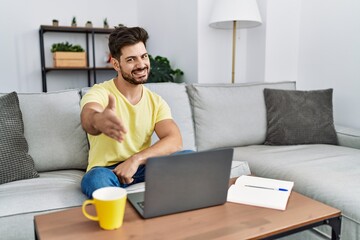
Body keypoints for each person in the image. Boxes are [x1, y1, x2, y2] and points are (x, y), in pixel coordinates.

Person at [80, 26, 183, 198]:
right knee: (94, 179)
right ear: (115, 64)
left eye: (144, 56)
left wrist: (135, 160)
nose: (141, 65)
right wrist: (98, 121)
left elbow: (175, 140)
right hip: (107, 171)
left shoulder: (156, 101)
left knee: (187, 158)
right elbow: (88, 117)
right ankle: (122, 220)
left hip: (142, 166)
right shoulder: (100, 93)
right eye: (131, 60)